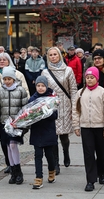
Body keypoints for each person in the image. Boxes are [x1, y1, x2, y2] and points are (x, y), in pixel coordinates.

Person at [72, 67, 104, 192]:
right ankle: (90, 180)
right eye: (88, 78)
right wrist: (76, 125)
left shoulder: (103, 93)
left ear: (97, 78)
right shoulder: (80, 93)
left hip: (100, 126)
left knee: (101, 152)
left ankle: (102, 172)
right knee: (89, 154)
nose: (89, 80)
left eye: (92, 78)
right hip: (86, 127)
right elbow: (75, 110)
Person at [41, 47, 77, 175]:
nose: (53, 57)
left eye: (55, 54)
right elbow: (42, 90)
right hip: (52, 105)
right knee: (53, 135)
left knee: (64, 135)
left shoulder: (68, 70)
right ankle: (56, 163)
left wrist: (74, 107)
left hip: (66, 104)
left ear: (60, 56)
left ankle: (66, 152)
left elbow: (73, 89)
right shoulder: (45, 72)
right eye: (50, 55)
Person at [0, 66, 28, 185]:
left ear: (13, 78)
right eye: (5, 79)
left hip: (16, 124)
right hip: (4, 123)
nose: (7, 81)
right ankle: (13, 171)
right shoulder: (0, 91)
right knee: (8, 146)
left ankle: (18, 171)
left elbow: (24, 108)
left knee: (13, 145)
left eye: (9, 79)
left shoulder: (21, 90)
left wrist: (24, 124)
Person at [29, 76, 58, 189]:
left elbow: (55, 115)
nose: (40, 88)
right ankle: (38, 178)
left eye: (42, 86)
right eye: (38, 86)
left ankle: (52, 170)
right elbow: (28, 114)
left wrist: (45, 111)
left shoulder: (51, 98)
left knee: (49, 155)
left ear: (46, 86)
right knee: (38, 155)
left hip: (48, 131)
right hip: (37, 131)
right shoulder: (32, 99)